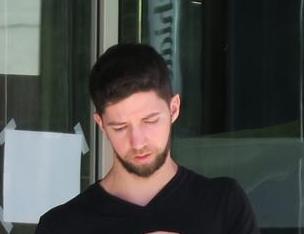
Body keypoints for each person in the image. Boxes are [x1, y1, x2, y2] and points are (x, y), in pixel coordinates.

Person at [36, 43, 260, 234]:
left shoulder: (223, 205)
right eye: (121, 127)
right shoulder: (62, 226)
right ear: (101, 125)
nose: (138, 142)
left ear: (174, 109)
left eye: (150, 121)